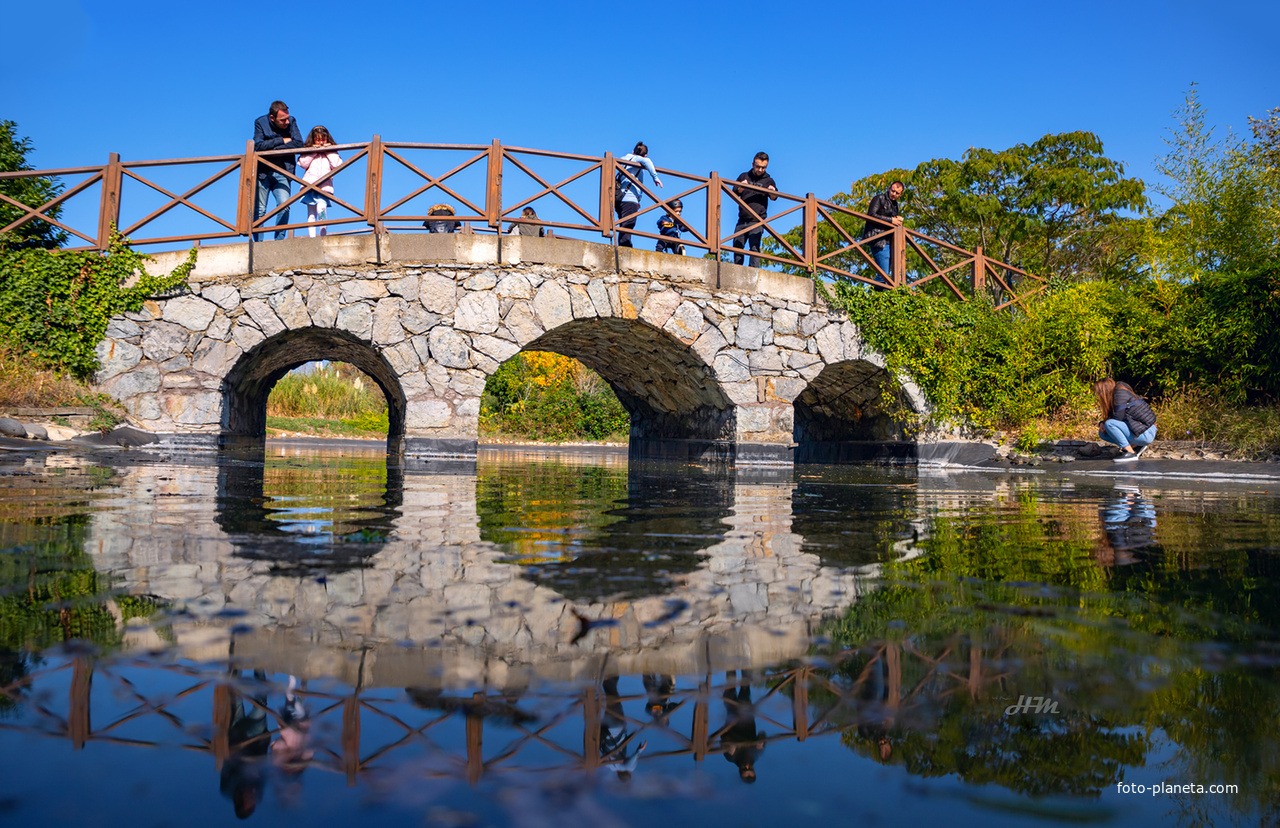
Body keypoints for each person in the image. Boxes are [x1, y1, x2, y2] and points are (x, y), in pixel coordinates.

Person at [252, 100, 303, 241]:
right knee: (260, 210)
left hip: (283, 172)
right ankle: (258, 244)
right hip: (262, 173)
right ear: (272, 118)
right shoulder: (260, 122)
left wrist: (274, 149)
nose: (286, 122)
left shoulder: (291, 121)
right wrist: (282, 140)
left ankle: (279, 241)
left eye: (287, 118)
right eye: (282, 120)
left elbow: (299, 143)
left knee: (284, 206)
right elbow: (258, 146)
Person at [1093, 378, 1157, 462]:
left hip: (1146, 433)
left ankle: (1130, 452)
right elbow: (1115, 416)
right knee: (1103, 434)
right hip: (1141, 431)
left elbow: (1118, 419)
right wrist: (1102, 423)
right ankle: (1135, 446)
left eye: (1098, 392)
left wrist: (1105, 424)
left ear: (1104, 391)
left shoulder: (1120, 394)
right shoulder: (1116, 394)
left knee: (1109, 424)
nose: (1098, 395)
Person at [731, 152, 777, 267]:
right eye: (758, 167)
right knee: (737, 245)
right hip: (742, 219)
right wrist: (741, 187)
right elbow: (734, 192)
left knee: (755, 247)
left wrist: (772, 192)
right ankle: (737, 268)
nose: (760, 170)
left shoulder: (769, 180)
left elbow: (774, 197)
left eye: (763, 167)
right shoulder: (744, 176)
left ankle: (753, 271)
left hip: (758, 220)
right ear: (753, 165)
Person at [615, 142, 663, 248]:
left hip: (619, 197)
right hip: (630, 198)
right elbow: (647, 161)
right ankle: (625, 248)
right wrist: (655, 178)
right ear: (645, 155)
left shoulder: (623, 159)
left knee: (623, 224)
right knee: (628, 224)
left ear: (633, 151)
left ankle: (623, 246)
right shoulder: (638, 159)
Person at [297, 126, 340, 238]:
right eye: (318, 139)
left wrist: (328, 150)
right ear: (313, 140)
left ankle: (322, 236)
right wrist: (313, 151)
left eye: (323, 139)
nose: (321, 142)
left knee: (322, 210)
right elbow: (303, 163)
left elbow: (336, 165)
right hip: (309, 185)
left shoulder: (331, 152)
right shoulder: (309, 151)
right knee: (311, 213)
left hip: (324, 187)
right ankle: (312, 237)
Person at [860, 181, 905, 281]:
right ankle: (871, 291)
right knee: (883, 275)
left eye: (897, 193)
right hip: (877, 239)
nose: (894, 194)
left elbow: (891, 220)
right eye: (892, 191)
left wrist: (896, 219)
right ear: (889, 188)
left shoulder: (895, 204)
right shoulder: (879, 198)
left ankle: (875, 290)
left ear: (900, 194)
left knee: (886, 275)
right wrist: (891, 220)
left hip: (888, 240)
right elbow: (871, 215)